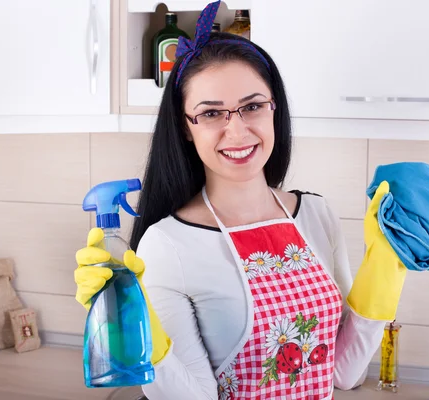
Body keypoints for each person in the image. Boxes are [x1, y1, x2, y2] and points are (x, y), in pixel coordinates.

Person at [74, 1, 407, 399]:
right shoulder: (168, 245)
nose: (237, 131)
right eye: (212, 114)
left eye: (251, 106)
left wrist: (385, 265)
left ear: (273, 110)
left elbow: (343, 372)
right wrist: (141, 329)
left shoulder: (316, 213)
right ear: (185, 127)